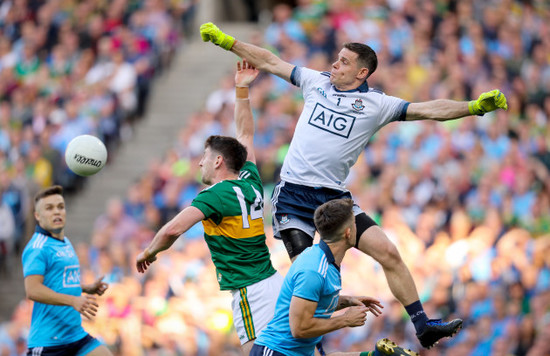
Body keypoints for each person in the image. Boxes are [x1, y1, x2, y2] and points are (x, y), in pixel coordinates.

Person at [199, 22, 507, 348]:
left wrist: (472, 108)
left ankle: (423, 325)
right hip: (292, 195)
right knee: (311, 278)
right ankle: (314, 347)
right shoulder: (315, 82)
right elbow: (270, 61)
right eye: (337, 58)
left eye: (344, 62)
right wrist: (227, 41)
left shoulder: (376, 104)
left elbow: (428, 110)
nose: (334, 64)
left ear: (361, 73)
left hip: (334, 198)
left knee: (388, 251)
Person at [136, 60, 284, 355]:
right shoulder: (250, 180)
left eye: (205, 156)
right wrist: (241, 90)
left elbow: (174, 229)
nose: (200, 162)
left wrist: (149, 252)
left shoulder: (214, 195)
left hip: (249, 290)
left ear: (218, 161)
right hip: (272, 281)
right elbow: (245, 135)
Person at [251, 198, 419, 356]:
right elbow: (299, 328)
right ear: (348, 232)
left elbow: (313, 303)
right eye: (355, 223)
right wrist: (345, 319)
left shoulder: (326, 261)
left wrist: (348, 301)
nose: (358, 228)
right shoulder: (314, 270)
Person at [22, 185, 112, 356]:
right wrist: (73, 300)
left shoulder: (66, 242)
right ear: (37, 216)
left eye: (60, 207)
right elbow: (32, 290)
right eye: (49, 208)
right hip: (48, 342)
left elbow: (60, 281)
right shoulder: (37, 248)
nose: (57, 211)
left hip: (75, 336)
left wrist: (86, 288)